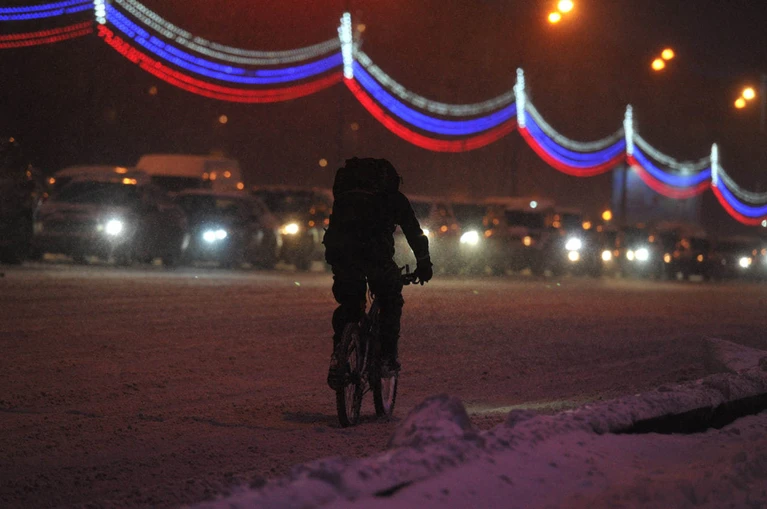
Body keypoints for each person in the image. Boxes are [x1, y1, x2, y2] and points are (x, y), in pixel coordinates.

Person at [323, 157, 432, 390]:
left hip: (341, 252)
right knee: (390, 299)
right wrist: (424, 264)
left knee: (349, 304)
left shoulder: (345, 195)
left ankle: (339, 356)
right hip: (375, 256)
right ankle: (386, 358)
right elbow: (414, 233)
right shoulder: (393, 198)